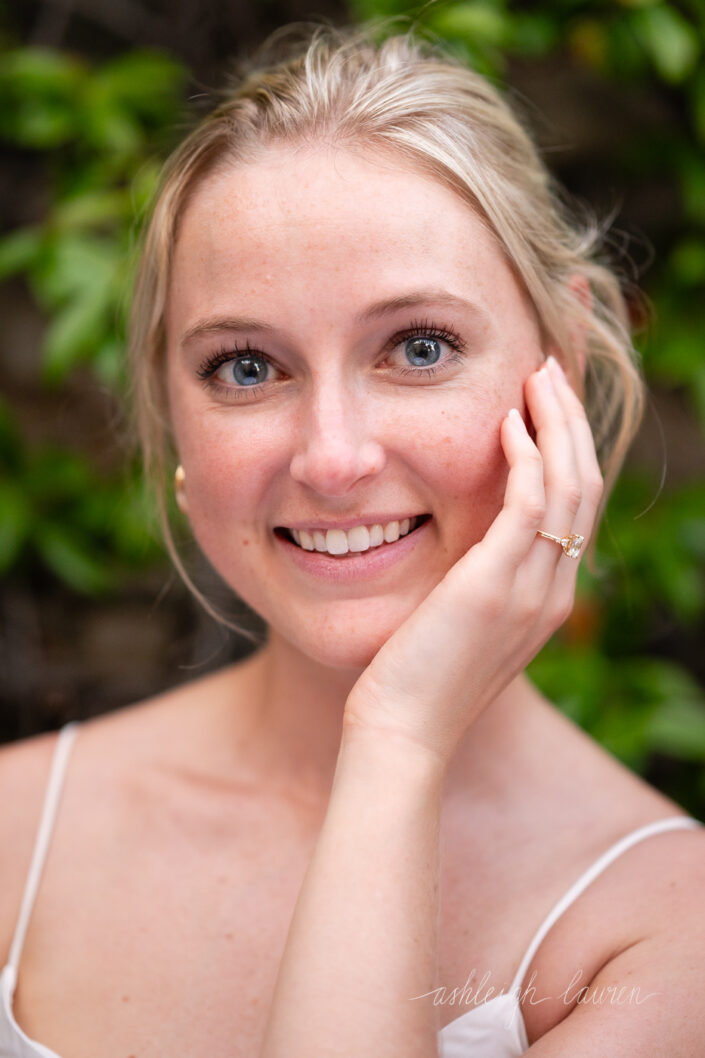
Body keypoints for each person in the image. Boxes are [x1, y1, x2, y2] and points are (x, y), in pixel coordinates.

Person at [1, 25, 703, 1058]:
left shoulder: (664, 934)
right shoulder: (14, 823)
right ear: (169, 403)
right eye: (246, 367)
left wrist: (396, 743)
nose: (331, 458)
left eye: (419, 347)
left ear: (560, 355)